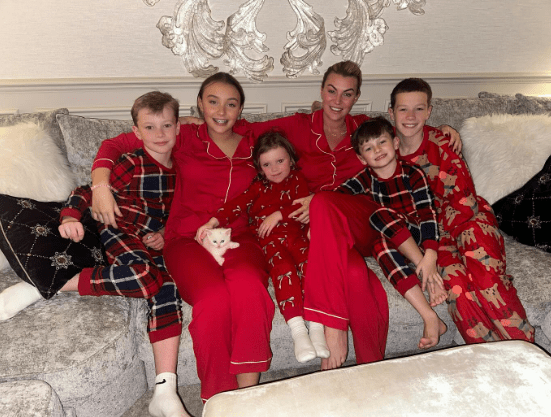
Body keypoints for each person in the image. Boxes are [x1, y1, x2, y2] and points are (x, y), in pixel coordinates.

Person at [90, 61, 462, 372]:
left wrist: (441, 130)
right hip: (318, 235)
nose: (338, 100)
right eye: (331, 91)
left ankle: (332, 331)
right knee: (352, 274)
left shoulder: (363, 128)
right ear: (321, 91)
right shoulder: (287, 127)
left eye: (347, 93)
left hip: (352, 218)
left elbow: (402, 128)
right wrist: (100, 183)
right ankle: (370, 369)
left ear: (356, 98)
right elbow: (125, 141)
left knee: (323, 203)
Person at [90, 73, 275, 402]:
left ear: (241, 108)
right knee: (213, 299)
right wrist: (100, 186)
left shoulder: (255, 138)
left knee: (250, 287)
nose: (221, 110)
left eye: (231, 103)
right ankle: (217, 400)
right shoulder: (183, 134)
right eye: (213, 101)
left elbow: (307, 132)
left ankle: (248, 400)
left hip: (238, 234)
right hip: (185, 237)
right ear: (200, 104)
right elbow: (115, 145)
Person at [59, 91, 190, 417]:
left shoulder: (182, 172)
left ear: (178, 128)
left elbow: (183, 214)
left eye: (166, 126)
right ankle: (59, 281)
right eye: (150, 127)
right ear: (136, 132)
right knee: (145, 277)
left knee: (168, 287)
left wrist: (164, 234)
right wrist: (70, 216)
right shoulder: (131, 162)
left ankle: (165, 390)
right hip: (118, 231)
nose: (159, 135)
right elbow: (88, 191)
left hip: (152, 242)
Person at [389, 78, 535, 344]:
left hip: (470, 220)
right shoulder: (385, 153)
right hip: (433, 239)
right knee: (458, 289)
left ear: (429, 111)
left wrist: (438, 240)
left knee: (486, 278)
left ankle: (523, 348)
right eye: (403, 110)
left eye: (419, 109)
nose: (411, 117)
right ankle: (486, 356)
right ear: (391, 113)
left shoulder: (442, 142)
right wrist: (432, 247)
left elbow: (463, 200)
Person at [196, 130, 330, 363]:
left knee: (311, 266)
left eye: (280, 161)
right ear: (259, 168)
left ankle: (317, 329)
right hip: (270, 243)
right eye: (268, 164)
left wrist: (278, 214)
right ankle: (298, 331)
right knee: (284, 271)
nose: (275, 168)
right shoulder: (257, 189)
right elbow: (235, 206)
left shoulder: (298, 180)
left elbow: (303, 203)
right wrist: (212, 222)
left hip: (298, 236)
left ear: (290, 159)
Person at [334, 117, 447, 349]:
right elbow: (337, 197)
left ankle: (425, 268)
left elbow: (427, 214)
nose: (377, 150)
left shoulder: (413, 173)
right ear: (360, 158)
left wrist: (430, 255)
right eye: (368, 148)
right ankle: (429, 316)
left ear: (396, 143)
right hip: (392, 240)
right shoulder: (365, 178)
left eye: (382, 142)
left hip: (415, 235)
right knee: (378, 246)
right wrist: (313, 202)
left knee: (378, 214)